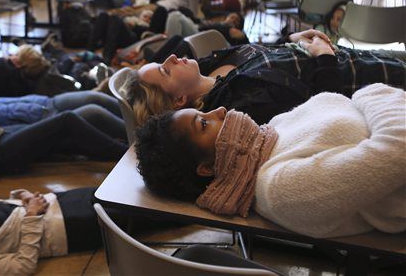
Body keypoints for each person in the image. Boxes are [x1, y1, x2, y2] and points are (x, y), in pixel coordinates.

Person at [135, 83, 406, 238]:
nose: (220, 110)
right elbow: (398, 149)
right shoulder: (278, 189)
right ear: (206, 168)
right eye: (203, 123)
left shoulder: (266, 136)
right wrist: (369, 93)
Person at [122, 29, 406, 125]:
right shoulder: (236, 105)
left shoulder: (211, 66)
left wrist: (289, 40)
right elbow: (321, 110)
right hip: (374, 81)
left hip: (358, 56)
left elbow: (262, 57)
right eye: (164, 70)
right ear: (179, 100)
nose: (171, 57)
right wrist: (323, 58)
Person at [0, 90, 123, 129]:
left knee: (94, 97)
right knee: (94, 111)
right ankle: (136, 134)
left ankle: (140, 116)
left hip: (49, 102)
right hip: (46, 118)